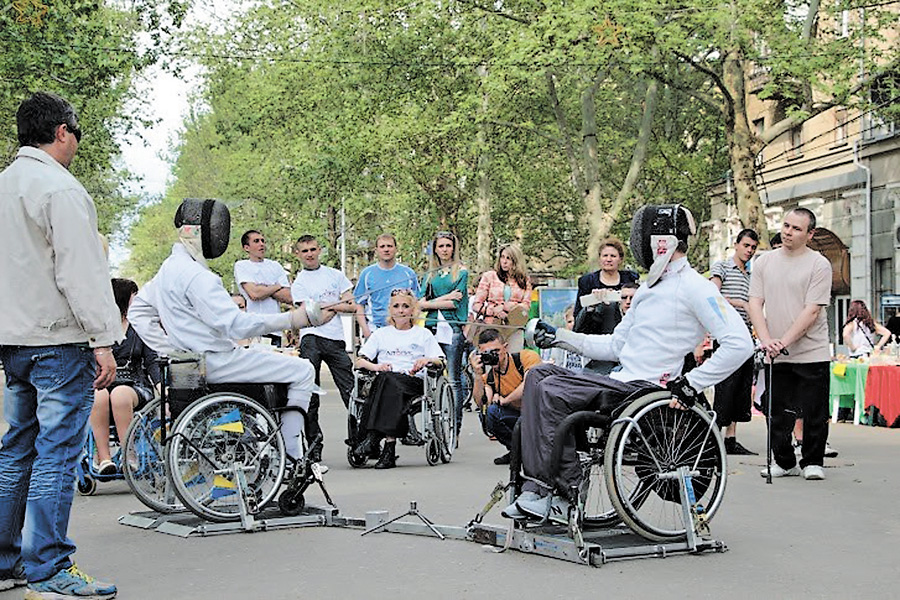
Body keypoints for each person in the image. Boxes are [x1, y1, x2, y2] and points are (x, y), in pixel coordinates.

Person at [504, 204, 753, 522]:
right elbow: (615, 346)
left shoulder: (695, 287)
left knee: (553, 389)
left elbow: (740, 343)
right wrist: (559, 337)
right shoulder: (648, 288)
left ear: (660, 242)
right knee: (539, 374)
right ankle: (537, 491)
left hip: (646, 390)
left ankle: (564, 495)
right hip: (622, 380)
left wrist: (693, 383)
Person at [0, 92, 121, 598]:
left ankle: (7, 561)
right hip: (59, 339)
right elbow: (81, 272)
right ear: (63, 131)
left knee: (15, 450)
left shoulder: (4, 185)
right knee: (55, 453)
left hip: (13, 340)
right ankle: (49, 566)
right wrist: (104, 337)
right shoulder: (62, 190)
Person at [129, 199, 334, 462]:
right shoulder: (198, 277)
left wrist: (173, 351)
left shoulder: (167, 270)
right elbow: (237, 324)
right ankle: (292, 456)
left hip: (190, 365)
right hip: (217, 361)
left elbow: (138, 312)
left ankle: (267, 451)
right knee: (303, 370)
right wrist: (295, 319)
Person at [748, 207, 832, 481]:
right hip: (775, 351)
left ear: (810, 234)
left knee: (814, 410)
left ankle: (813, 460)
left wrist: (784, 340)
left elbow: (812, 310)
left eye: (796, 228)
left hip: (811, 350)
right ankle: (784, 461)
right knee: (775, 410)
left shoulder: (819, 264)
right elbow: (754, 303)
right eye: (786, 226)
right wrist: (766, 339)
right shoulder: (763, 262)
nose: (788, 232)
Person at [352, 289, 444, 469]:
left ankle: (372, 437)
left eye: (405, 306)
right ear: (390, 310)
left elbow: (440, 361)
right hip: (385, 381)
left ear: (413, 310)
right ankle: (389, 447)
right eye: (396, 306)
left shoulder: (423, 334)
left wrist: (426, 360)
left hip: (413, 381)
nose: (401, 310)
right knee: (386, 380)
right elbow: (359, 362)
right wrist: (376, 367)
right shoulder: (381, 334)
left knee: (387, 381)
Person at [290, 235, 357, 462]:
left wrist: (330, 308)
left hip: (335, 340)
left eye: (312, 249)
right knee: (310, 395)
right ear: (298, 254)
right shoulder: (298, 283)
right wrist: (334, 308)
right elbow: (309, 317)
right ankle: (314, 445)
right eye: (304, 250)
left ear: (319, 250)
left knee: (351, 391)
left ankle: (359, 441)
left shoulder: (335, 275)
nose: (309, 254)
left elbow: (351, 305)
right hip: (311, 340)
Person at [89, 278, 161, 476]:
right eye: (134, 296)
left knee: (120, 394)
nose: (138, 300)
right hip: (103, 385)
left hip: (136, 386)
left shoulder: (139, 326)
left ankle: (129, 454)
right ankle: (104, 458)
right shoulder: (99, 329)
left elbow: (152, 361)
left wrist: (162, 387)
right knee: (99, 395)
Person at [709, 228, 760, 456]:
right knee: (726, 386)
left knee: (741, 388)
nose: (749, 251)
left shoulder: (751, 276)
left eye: (752, 247)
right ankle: (712, 436)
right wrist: (741, 304)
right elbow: (713, 296)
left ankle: (731, 438)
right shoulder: (722, 267)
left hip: (746, 336)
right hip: (727, 334)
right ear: (736, 244)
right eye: (746, 245)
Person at [418, 231, 469, 434]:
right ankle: (433, 424)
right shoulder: (429, 274)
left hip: (452, 327)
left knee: (454, 378)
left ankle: (454, 427)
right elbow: (420, 303)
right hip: (431, 327)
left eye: (448, 245)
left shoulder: (461, 272)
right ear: (435, 249)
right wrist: (445, 296)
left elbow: (454, 302)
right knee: (431, 376)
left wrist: (441, 300)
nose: (445, 250)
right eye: (441, 246)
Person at [470, 328, 542, 465]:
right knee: (489, 414)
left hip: (537, 415)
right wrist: (478, 375)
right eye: (487, 353)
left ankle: (526, 451)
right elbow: (482, 403)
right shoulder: (491, 376)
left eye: (496, 351)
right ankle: (516, 451)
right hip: (516, 416)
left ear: (505, 347)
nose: (493, 356)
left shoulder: (526, 358)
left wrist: (506, 400)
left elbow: (529, 384)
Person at [573, 237, 639, 373]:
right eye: (605, 255)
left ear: (620, 259)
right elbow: (579, 315)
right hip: (597, 334)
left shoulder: (630, 278)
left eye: (613, 256)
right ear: (599, 258)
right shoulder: (588, 281)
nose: (608, 259)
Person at [354, 233, 420, 339]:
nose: (386, 249)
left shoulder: (408, 273)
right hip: (376, 330)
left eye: (389, 246)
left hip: (404, 331)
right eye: (382, 246)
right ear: (376, 250)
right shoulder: (367, 274)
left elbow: (416, 302)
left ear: (396, 249)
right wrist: (366, 331)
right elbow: (359, 305)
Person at [234, 229, 293, 346]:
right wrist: (277, 286)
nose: (261, 244)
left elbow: (288, 297)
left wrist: (262, 288)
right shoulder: (242, 266)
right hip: (253, 328)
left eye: (262, 241)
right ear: (246, 247)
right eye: (256, 241)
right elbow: (254, 294)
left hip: (274, 329)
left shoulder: (275, 266)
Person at [472, 244, 532, 351]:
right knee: (491, 362)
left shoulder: (524, 280)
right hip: (492, 326)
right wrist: (494, 311)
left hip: (514, 327)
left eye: (508, 258)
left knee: (513, 360)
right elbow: (476, 305)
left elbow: (526, 306)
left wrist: (509, 307)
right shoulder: (489, 276)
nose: (504, 261)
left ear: (516, 261)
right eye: (502, 257)